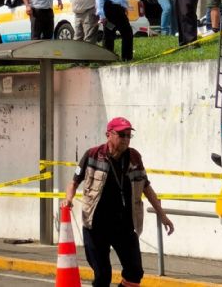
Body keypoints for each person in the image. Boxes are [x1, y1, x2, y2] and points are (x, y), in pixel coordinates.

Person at [62, 117, 174, 287]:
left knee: (135, 272)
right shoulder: (92, 155)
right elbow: (74, 182)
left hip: (124, 225)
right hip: (96, 225)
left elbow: (146, 187)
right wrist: (68, 199)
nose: (126, 139)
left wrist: (163, 215)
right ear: (109, 134)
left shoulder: (134, 158)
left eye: (129, 135)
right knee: (102, 276)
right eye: (122, 135)